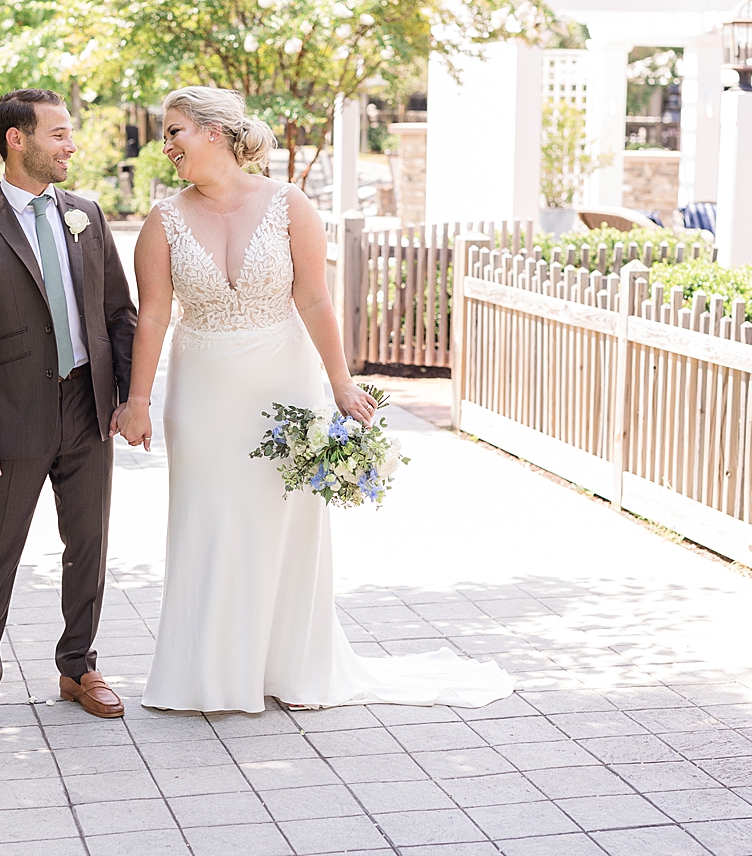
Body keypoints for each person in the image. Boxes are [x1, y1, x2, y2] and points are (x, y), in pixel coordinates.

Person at [116, 86, 514, 713]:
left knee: (284, 526)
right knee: (208, 524)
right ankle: (210, 675)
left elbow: (315, 300)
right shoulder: (161, 221)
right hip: (203, 392)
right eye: (165, 134)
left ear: (215, 133)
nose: (165, 145)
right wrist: (137, 399)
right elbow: (155, 315)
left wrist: (341, 384)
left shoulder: (288, 204)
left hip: (284, 386)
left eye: (175, 132)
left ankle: (289, 669)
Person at [0, 88, 137, 733]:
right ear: (16, 140)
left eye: (70, 134)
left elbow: (118, 313)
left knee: (88, 543)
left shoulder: (87, 216)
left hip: (87, 409)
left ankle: (79, 664)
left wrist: (130, 398)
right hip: (11, 417)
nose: (70, 145)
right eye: (58, 134)